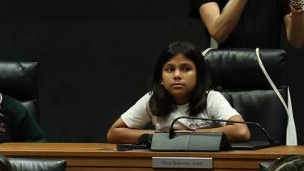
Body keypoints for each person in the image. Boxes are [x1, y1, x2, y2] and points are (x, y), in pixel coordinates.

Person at [107, 41, 250, 144]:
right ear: (161, 79)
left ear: (198, 76)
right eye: (169, 69)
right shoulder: (152, 99)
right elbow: (114, 133)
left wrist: (189, 136)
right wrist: (152, 136)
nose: (177, 75)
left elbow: (241, 131)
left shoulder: (211, 98)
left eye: (186, 69)